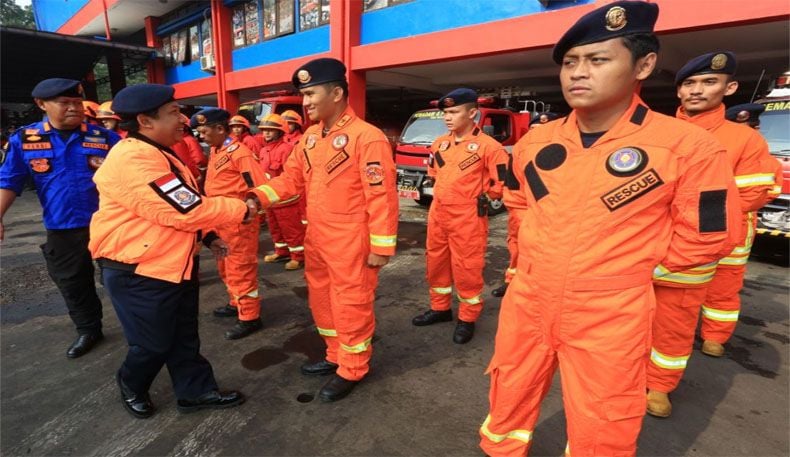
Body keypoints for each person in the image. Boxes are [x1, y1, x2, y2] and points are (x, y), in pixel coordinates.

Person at [478, 3, 741, 455]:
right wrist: (527, 263)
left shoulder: (687, 147)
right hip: (530, 299)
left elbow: (710, 234)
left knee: (604, 417)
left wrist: (625, 271)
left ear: (644, 64)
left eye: (598, 60)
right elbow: (518, 203)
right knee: (509, 390)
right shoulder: (537, 142)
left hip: (612, 310)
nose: (578, 73)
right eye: (570, 62)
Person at [90, 83, 253, 419]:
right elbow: (185, 209)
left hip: (172, 263)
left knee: (182, 337)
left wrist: (207, 237)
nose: (184, 119)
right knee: (152, 344)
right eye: (174, 112)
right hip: (139, 269)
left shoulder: (158, 151)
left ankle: (195, 392)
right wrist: (242, 209)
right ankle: (131, 384)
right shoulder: (135, 158)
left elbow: (180, 204)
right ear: (145, 121)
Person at [247, 58, 398, 402]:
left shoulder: (367, 138)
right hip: (317, 238)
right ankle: (334, 355)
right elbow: (290, 180)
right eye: (303, 95)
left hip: (351, 241)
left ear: (337, 92)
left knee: (351, 303)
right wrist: (257, 197)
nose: (306, 102)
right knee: (323, 301)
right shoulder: (311, 138)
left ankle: (353, 367)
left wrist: (381, 246)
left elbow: (382, 197)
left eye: (311, 93)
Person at [646, 52, 781, 418]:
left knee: (676, 322)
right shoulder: (653, 132)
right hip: (647, 245)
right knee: (632, 319)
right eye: (689, 83)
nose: (697, 90)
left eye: (708, 82)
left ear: (730, 87)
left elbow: (754, 192)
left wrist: (690, 215)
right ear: (678, 91)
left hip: (698, 249)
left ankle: (660, 385)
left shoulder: (744, 140)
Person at [0, 78, 121, 358]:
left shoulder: (105, 138)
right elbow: (9, 180)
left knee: (120, 280)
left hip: (109, 225)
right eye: (64, 103)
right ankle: (89, 330)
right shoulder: (25, 140)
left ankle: (139, 328)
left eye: (77, 103)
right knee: (73, 283)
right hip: (62, 228)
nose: (73, 108)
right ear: (41, 104)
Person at [411, 88, 508, 344]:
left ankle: (467, 317)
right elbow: (434, 174)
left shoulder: (490, 148)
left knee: (467, 268)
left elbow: (503, 184)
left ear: (473, 113)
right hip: (439, 214)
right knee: (436, 263)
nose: (448, 117)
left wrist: (482, 201)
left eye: (454, 112)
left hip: (468, 218)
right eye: (445, 112)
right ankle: (440, 308)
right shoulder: (439, 143)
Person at [192, 108, 269, 340]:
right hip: (220, 221)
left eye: (204, 131)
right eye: (199, 132)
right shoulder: (217, 149)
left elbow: (257, 185)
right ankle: (236, 301)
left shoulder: (239, 152)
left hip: (238, 223)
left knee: (240, 269)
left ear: (219, 129)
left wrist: (252, 211)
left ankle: (249, 317)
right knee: (225, 266)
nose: (201, 137)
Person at [492, 111, 563, 298]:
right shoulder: (521, 150)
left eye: (542, 129)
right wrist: (514, 210)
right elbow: (511, 183)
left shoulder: (564, 155)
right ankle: (511, 282)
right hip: (519, 211)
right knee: (516, 249)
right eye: (533, 129)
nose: (536, 134)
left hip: (549, 216)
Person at [258, 113, 306, 270]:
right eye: (264, 130)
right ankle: (282, 251)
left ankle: (298, 257)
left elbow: (291, 174)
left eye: (270, 130)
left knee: (291, 228)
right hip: (270, 197)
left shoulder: (286, 149)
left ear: (280, 131)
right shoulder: (264, 151)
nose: (266, 133)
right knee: (275, 227)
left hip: (286, 197)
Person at [172, 113, 207, 181]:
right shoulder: (189, 139)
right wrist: (198, 174)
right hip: (191, 177)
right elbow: (199, 159)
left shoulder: (169, 141)